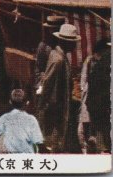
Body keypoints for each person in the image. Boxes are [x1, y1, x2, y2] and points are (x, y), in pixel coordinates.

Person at [36, 23, 81, 153]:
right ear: (66, 42)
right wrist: (47, 106)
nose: (74, 46)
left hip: (56, 108)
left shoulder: (59, 56)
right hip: (54, 110)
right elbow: (48, 83)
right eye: (73, 43)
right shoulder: (58, 59)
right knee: (53, 142)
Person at [0, 89, 44, 153]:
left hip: (10, 154)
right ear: (27, 103)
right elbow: (38, 140)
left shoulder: (6, 117)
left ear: (10, 102)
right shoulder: (32, 119)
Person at [83, 39, 111, 153]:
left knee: (103, 146)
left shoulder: (101, 62)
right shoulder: (105, 62)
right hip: (102, 109)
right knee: (104, 145)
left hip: (98, 109)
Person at [35, 15, 64, 87]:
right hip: (47, 83)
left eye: (56, 29)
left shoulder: (63, 44)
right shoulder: (43, 46)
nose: (53, 32)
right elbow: (39, 69)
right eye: (52, 29)